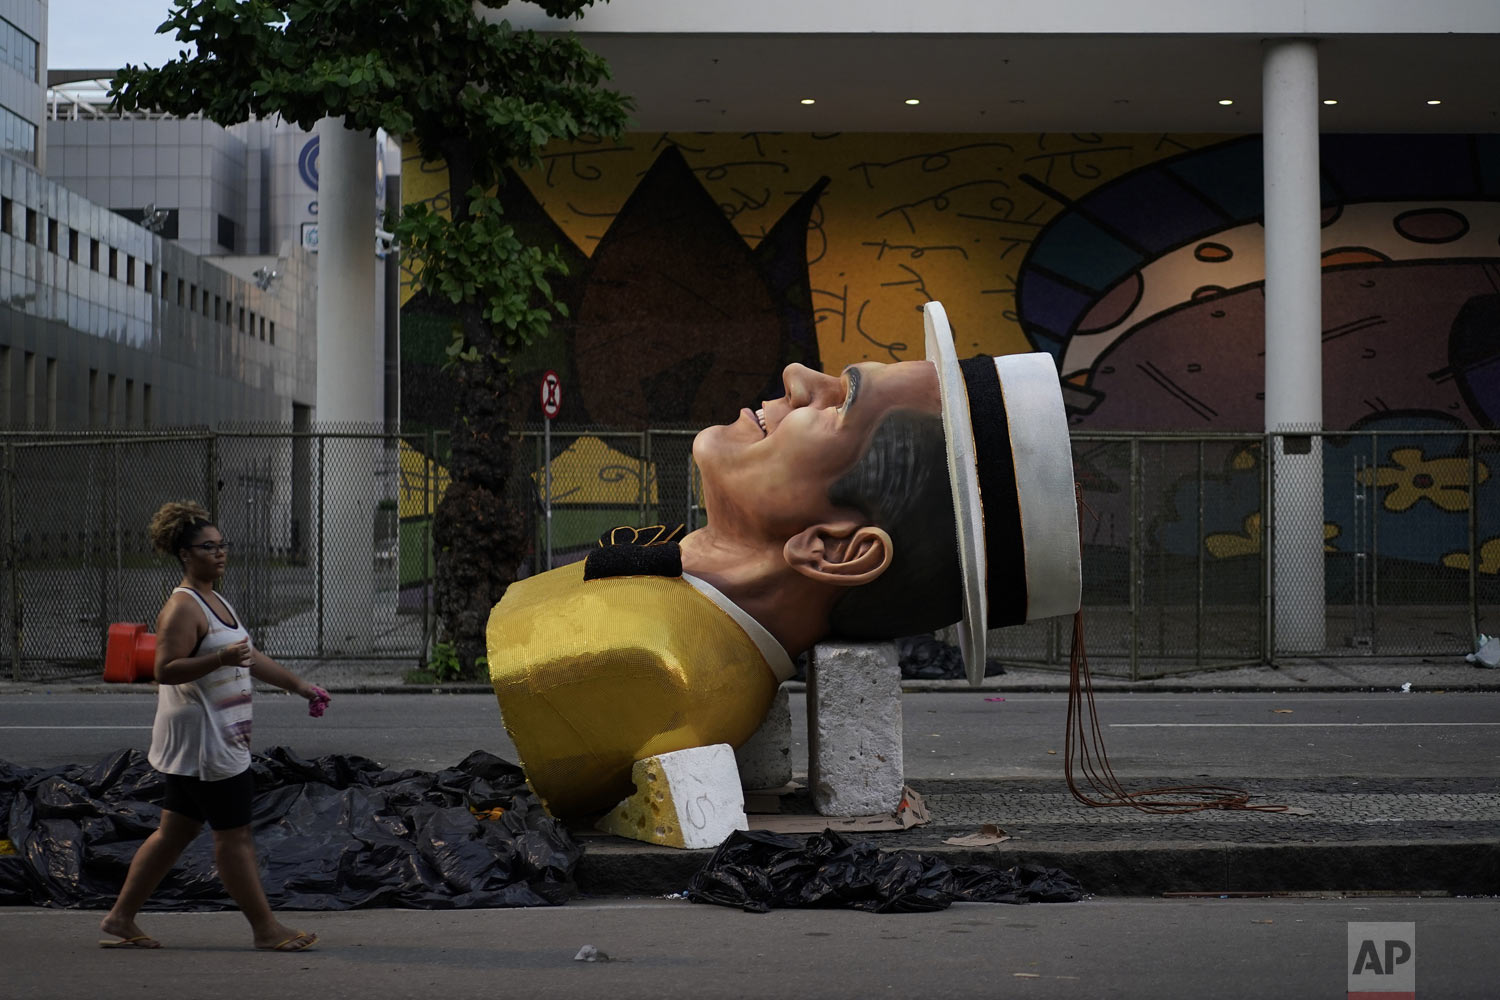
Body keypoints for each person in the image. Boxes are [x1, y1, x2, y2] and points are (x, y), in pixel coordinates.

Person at [486, 301, 1081, 818]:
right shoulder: (670, 595)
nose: (798, 377)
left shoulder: (658, 665)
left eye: (839, 405)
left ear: (835, 550)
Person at [98, 501, 329, 951]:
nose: (220, 554)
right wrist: (219, 659)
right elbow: (165, 669)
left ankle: (121, 917)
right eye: (209, 547)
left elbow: (249, 656)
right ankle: (265, 929)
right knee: (233, 836)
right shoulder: (183, 607)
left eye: (223, 546)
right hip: (209, 742)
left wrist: (299, 685)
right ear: (186, 554)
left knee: (174, 833)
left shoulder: (215, 598)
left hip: (209, 739)